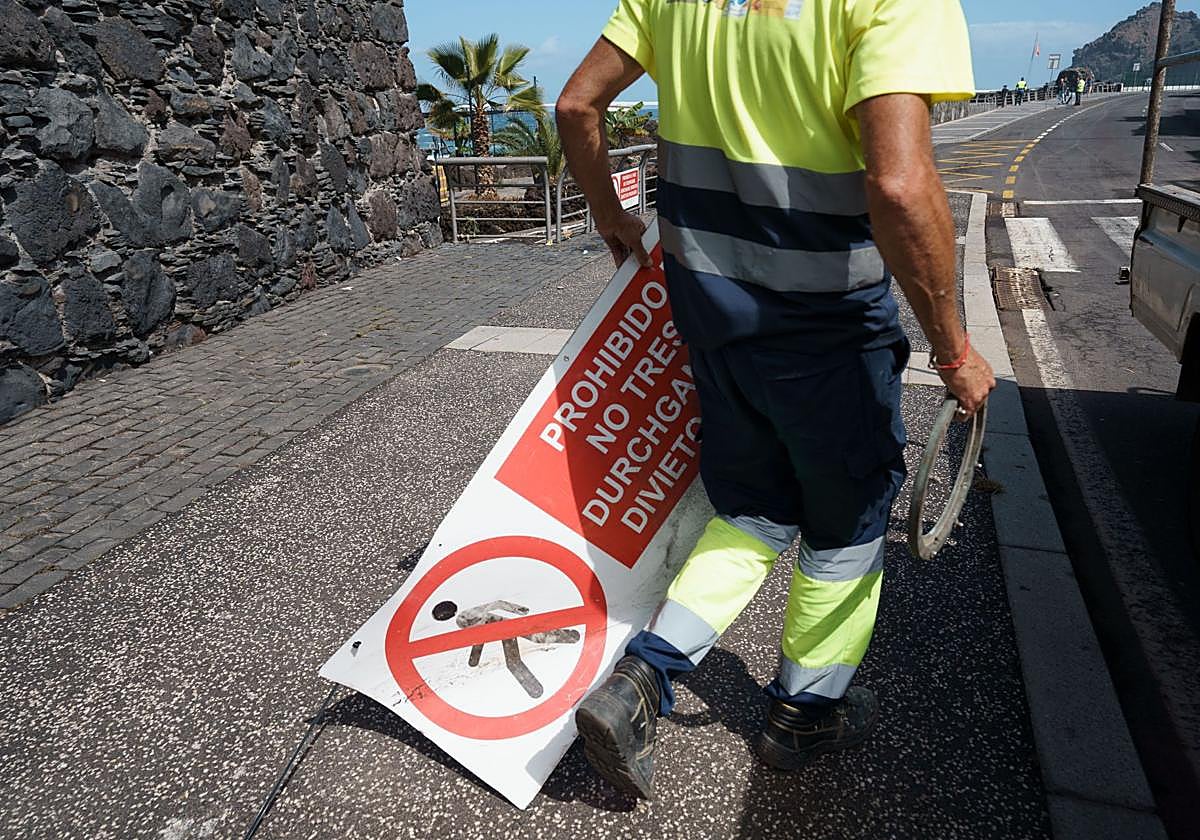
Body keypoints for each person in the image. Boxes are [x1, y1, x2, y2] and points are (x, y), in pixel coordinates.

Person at [556, 0, 996, 799]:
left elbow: (576, 104)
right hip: (826, 334)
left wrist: (609, 215)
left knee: (752, 510)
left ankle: (640, 683)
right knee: (849, 524)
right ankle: (803, 713)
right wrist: (955, 350)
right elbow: (898, 185)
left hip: (714, 321)